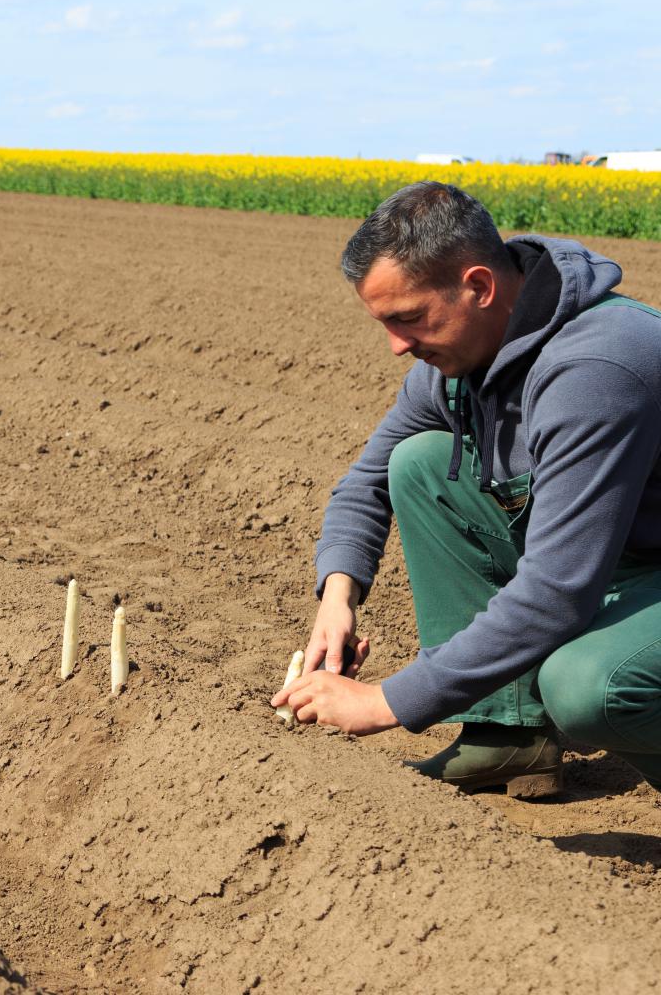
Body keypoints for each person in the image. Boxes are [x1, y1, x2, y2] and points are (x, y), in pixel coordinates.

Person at [270, 181, 661, 799]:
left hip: (631, 567)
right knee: (420, 463)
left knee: (587, 685)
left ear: (478, 287)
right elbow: (367, 479)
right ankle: (507, 736)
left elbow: (556, 594)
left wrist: (385, 702)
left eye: (408, 318)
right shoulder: (464, 361)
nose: (398, 345)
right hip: (622, 557)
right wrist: (337, 598)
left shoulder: (596, 371)